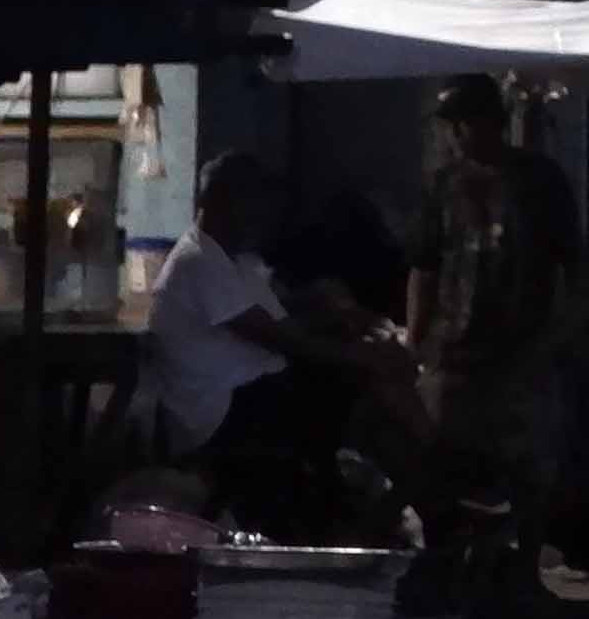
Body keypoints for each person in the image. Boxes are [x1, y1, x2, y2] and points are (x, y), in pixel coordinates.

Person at [145, 151, 415, 532]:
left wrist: (338, 312)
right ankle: (386, 498)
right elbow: (281, 338)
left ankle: (383, 495)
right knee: (349, 394)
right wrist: (366, 357)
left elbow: (286, 319)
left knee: (351, 386)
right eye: (253, 203)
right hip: (220, 409)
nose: (261, 217)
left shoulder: (238, 262)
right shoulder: (197, 261)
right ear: (224, 201)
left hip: (256, 388)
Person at [416, 77, 587, 592]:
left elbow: (571, 262)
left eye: (468, 122)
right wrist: (418, 340)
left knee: (529, 466)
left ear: (495, 121)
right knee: (446, 463)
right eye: (453, 125)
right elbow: (423, 265)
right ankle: (450, 565)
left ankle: (524, 568)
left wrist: (569, 331)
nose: (460, 135)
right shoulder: (444, 185)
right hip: (455, 348)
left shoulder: (539, 180)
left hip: (524, 346)